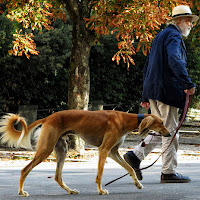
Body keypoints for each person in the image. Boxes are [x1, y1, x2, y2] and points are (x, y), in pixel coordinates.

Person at [124, 5, 199, 183]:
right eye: (188, 21)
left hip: (155, 90)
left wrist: (145, 95)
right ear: (178, 21)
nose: (191, 25)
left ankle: (135, 156)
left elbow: (148, 66)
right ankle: (168, 172)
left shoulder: (160, 36)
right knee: (171, 130)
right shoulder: (173, 36)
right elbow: (175, 59)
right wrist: (187, 83)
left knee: (160, 129)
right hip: (167, 90)